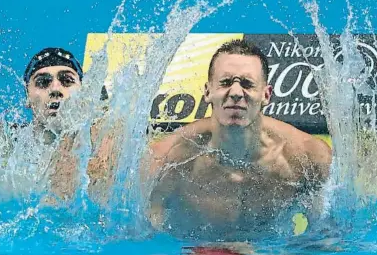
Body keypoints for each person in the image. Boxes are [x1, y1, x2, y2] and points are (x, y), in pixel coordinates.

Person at [141, 39, 333, 240]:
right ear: (208, 92)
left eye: (247, 84)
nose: (235, 93)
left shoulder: (308, 159)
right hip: (192, 251)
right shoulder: (168, 160)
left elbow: (325, 238)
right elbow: (145, 238)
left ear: (266, 95)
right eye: (225, 83)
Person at [0, 47, 99, 200]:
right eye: (43, 82)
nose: (55, 88)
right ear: (27, 97)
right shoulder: (8, 141)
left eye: (67, 81)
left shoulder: (100, 139)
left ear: (84, 93)